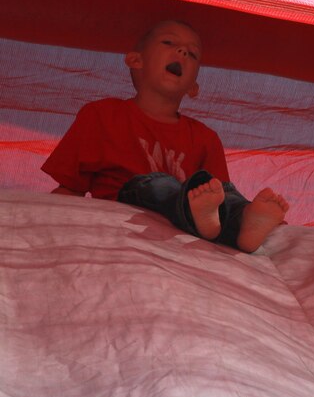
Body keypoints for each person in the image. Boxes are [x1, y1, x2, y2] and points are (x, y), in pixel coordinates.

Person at [41, 20, 289, 253]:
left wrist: (236, 209)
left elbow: (219, 197)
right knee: (159, 185)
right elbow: (70, 189)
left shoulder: (205, 137)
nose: (182, 52)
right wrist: (44, 221)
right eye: (169, 43)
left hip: (196, 218)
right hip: (132, 198)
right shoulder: (102, 114)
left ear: (193, 87)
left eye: (192, 54)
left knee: (225, 195)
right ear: (136, 60)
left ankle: (248, 223)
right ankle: (205, 216)